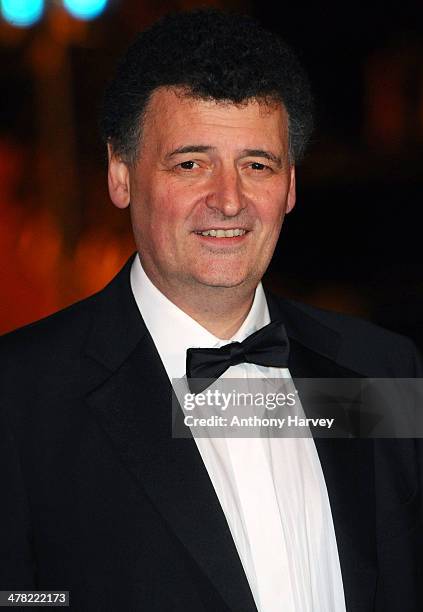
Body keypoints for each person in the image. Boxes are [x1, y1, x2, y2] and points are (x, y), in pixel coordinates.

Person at [1, 9, 422, 612]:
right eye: (190, 164)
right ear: (120, 173)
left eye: (257, 165)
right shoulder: (19, 398)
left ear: (292, 184)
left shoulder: (381, 371)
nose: (229, 200)